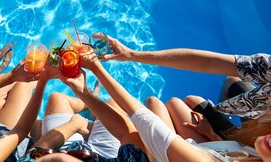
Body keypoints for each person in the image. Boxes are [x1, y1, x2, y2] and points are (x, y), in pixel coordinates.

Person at [80, 49, 271, 162]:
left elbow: (149, 124)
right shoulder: (261, 157)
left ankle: (87, 103)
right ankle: (89, 106)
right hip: (210, 156)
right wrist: (213, 135)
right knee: (175, 104)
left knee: (150, 107)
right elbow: (207, 62)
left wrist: (96, 69)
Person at [0, 70, 160, 162]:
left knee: (57, 98)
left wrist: (73, 125)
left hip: (70, 140)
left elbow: (38, 150)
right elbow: (127, 134)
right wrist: (84, 94)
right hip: (110, 159)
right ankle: (91, 105)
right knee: (113, 104)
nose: (64, 153)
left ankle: (88, 110)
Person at [98, 34, 270, 137]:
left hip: (253, 153)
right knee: (231, 81)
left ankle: (226, 134)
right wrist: (131, 54)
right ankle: (226, 117)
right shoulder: (267, 66)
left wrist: (212, 135)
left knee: (175, 105)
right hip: (258, 118)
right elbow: (207, 63)